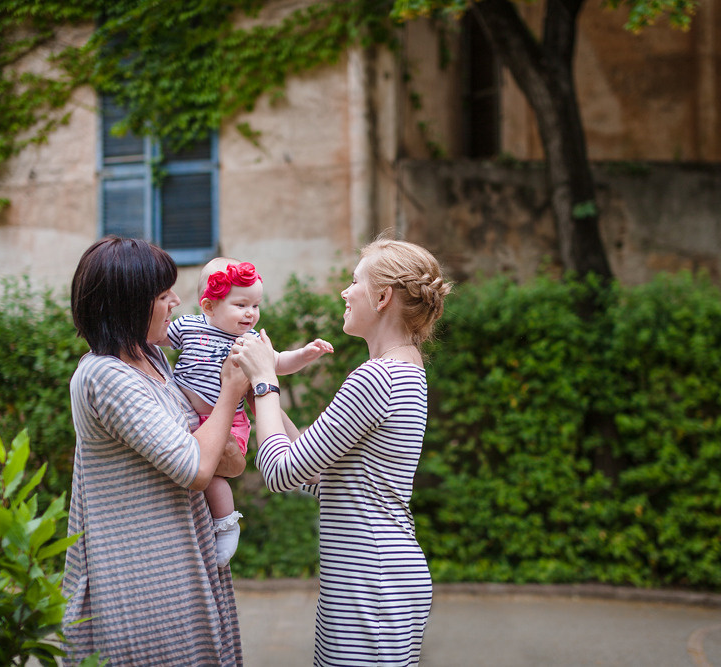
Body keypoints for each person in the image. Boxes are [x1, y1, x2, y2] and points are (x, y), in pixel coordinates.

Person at [235, 236, 451, 667]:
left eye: (355, 281)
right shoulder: (407, 371)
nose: (345, 292)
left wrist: (265, 381)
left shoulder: (376, 379)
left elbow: (279, 472)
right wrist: (258, 397)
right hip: (384, 578)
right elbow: (322, 475)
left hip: (368, 588)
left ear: (383, 296)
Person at [63, 237, 247, 665]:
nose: (177, 302)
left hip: (188, 560)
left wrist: (216, 439)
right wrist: (230, 391)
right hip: (144, 577)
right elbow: (198, 468)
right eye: (163, 295)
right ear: (128, 304)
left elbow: (232, 462)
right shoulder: (103, 376)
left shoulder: (154, 360)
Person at [162, 257, 334, 566]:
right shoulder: (187, 327)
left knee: (214, 477)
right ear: (209, 306)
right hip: (185, 418)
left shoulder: (250, 341)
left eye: (255, 306)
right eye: (241, 305)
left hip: (231, 424)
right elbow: (155, 339)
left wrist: (305, 354)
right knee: (185, 471)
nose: (251, 313)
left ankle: (226, 524)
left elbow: (278, 363)